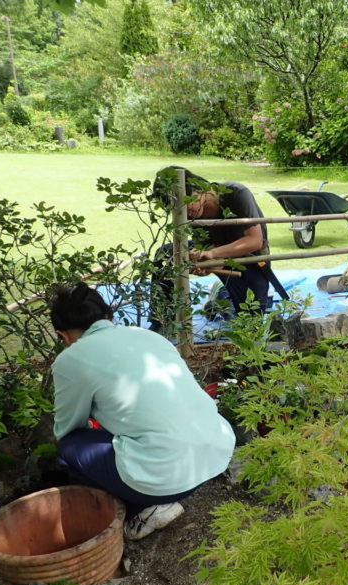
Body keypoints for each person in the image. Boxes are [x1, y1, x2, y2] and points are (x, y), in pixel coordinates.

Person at [50, 283, 235, 540]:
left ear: (63, 335)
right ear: (109, 316)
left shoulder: (71, 359)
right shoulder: (147, 336)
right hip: (214, 455)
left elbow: (67, 427)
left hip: (166, 479)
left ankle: (142, 510)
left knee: (69, 449)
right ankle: (150, 496)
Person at [149, 166, 288, 329]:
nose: (186, 213)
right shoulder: (190, 215)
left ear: (197, 188)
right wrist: (205, 264)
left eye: (187, 204)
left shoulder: (236, 193)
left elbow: (254, 240)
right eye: (177, 210)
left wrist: (212, 254)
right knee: (166, 253)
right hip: (220, 254)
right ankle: (162, 320)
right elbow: (208, 250)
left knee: (250, 324)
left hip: (250, 260)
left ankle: (220, 296)